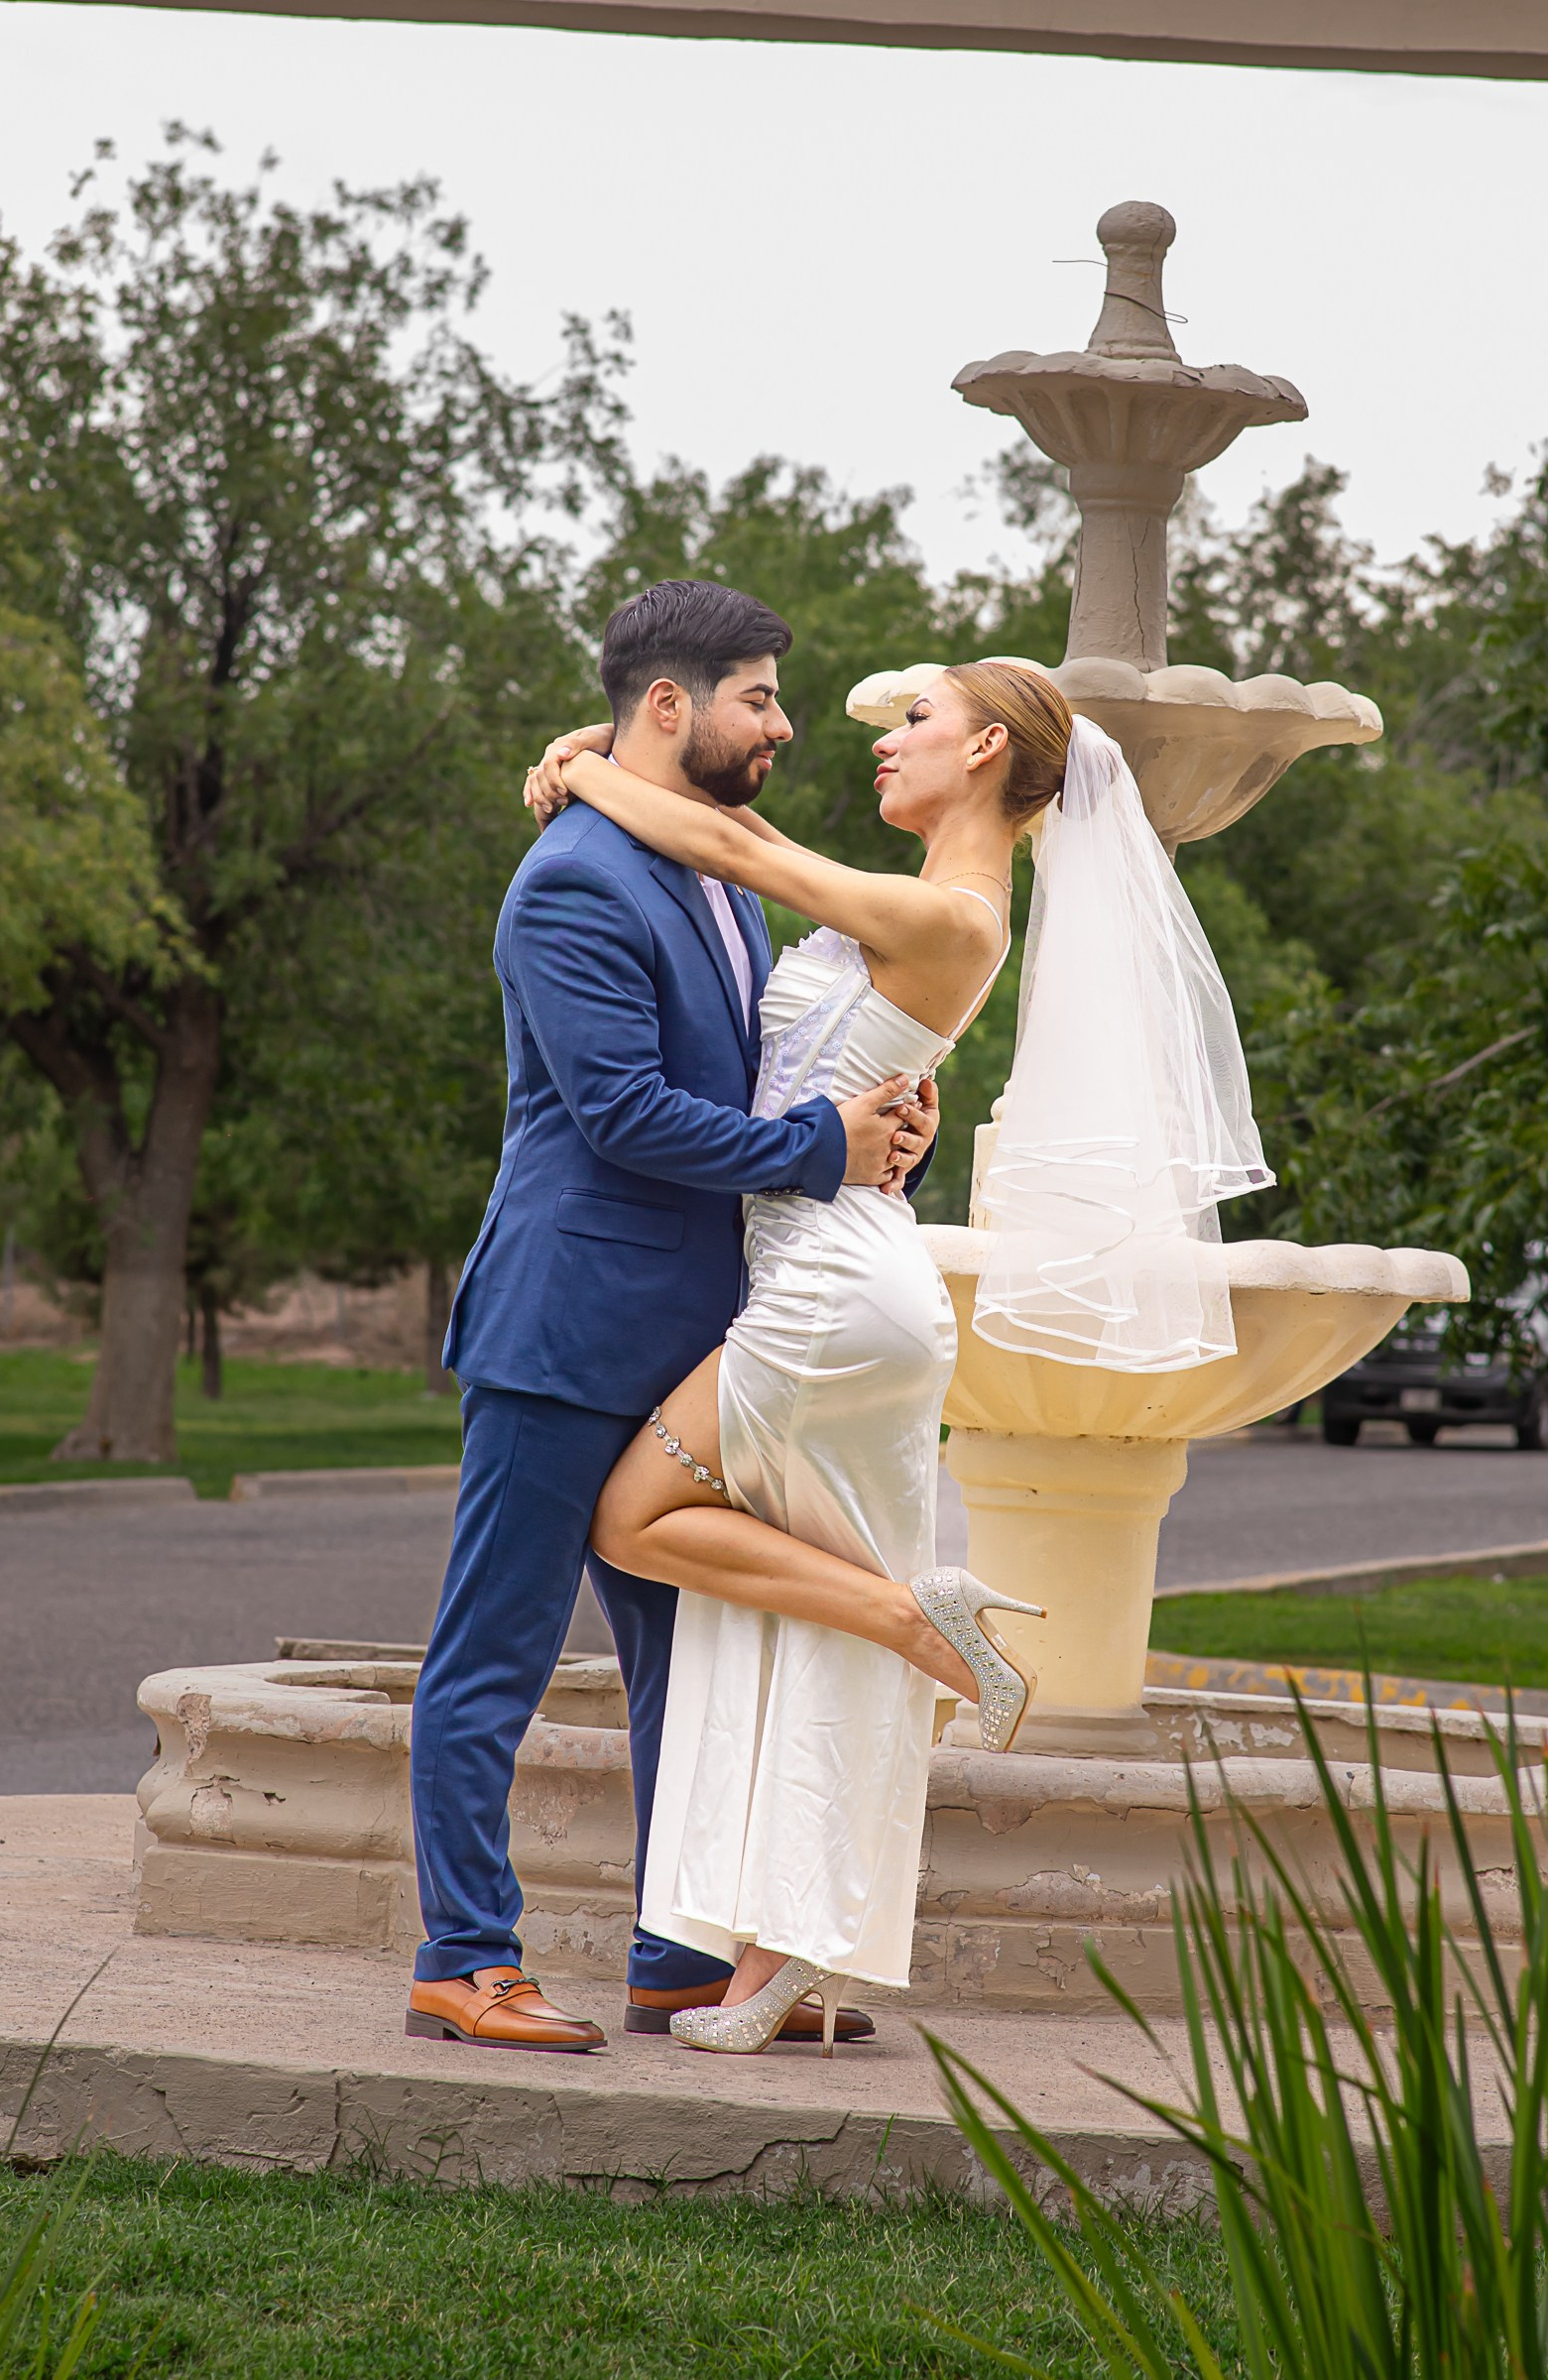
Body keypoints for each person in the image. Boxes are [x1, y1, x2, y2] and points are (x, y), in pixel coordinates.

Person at [529, 659, 1266, 2055]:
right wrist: (606, 757)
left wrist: (587, 767)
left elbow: (737, 844)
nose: (885, 746)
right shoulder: (941, 906)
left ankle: (923, 1628)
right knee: (783, 1617)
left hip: (827, 1291)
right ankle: (780, 1964)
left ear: (987, 748)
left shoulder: (951, 909)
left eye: (913, 721)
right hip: (841, 1274)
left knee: (634, 1523)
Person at [405, 581, 935, 2056]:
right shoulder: (573, 877)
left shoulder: (719, 872)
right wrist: (821, 1152)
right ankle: (463, 1958)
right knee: (491, 1657)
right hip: (563, 1327)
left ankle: (675, 1958)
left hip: (700, 1345)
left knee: (684, 1671)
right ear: (667, 705)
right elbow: (626, 1116)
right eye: (759, 696)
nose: (780, 724)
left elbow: (755, 1086)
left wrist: (880, 1132)